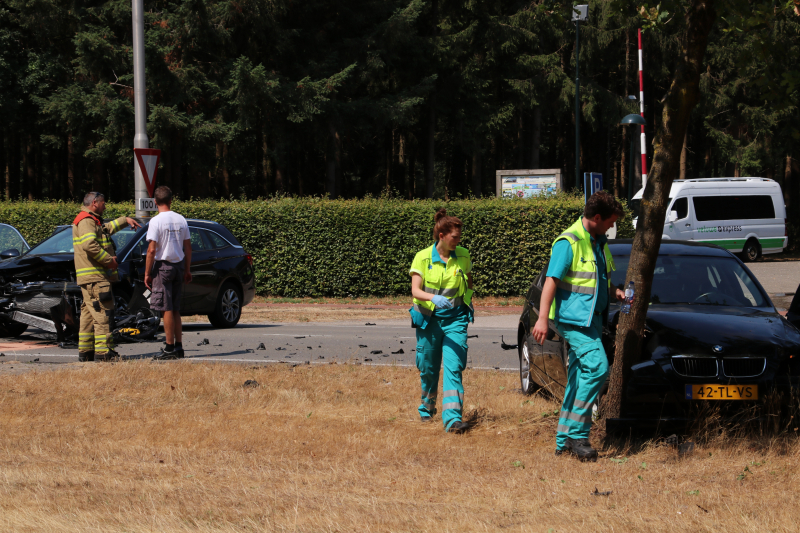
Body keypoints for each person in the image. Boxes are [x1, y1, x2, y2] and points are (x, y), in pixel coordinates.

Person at [532, 191, 626, 461]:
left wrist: (614, 292)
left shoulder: (598, 241)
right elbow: (551, 281)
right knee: (597, 368)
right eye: (609, 222)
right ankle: (577, 434)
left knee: (577, 378)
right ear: (596, 217)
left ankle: (563, 442)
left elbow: (599, 279)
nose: (612, 226)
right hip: (574, 321)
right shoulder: (568, 242)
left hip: (592, 320)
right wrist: (542, 318)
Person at [409, 208, 474, 433]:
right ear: (442, 236)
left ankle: (453, 419)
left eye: (459, 237)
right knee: (428, 368)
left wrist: (466, 305)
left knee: (454, 366)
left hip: (455, 320)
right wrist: (434, 298)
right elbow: (415, 290)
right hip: (429, 320)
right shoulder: (423, 257)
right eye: (454, 237)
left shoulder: (463, 256)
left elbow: (469, 281)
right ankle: (427, 408)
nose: (458, 241)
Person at [73, 191, 141, 362]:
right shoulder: (87, 221)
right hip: (96, 276)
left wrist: (125, 220)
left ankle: (86, 351)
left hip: (89, 278)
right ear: (95, 203)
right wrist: (108, 260)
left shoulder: (89, 220)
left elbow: (106, 229)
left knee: (89, 314)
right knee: (103, 313)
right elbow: (89, 244)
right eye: (103, 203)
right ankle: (104, 353)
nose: (105, 206)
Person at [144, 186, 192, 360]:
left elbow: (151, 250)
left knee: (166, 308)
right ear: (171, 200)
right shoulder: (181, 219)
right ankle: (179, 347)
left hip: (163, 267)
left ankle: (169, 347)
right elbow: (188, 247)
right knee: (176, 308)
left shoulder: (156, 221)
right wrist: (187, 269)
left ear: (155, 202)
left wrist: (147, 273)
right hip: (179, 265)